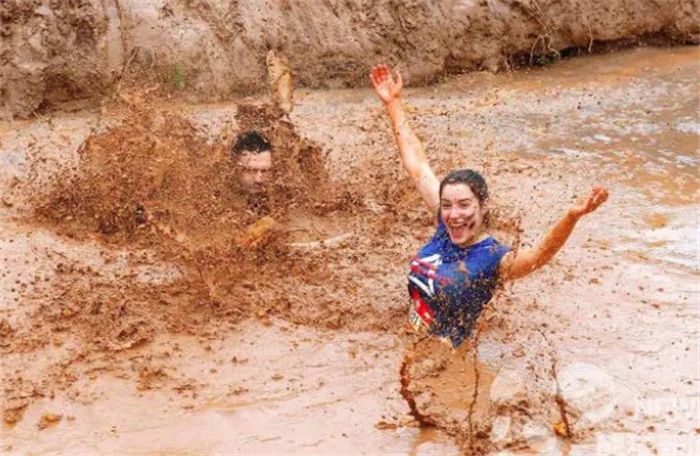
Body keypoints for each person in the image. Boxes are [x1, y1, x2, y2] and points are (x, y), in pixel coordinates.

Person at [370, 64, 609, 348]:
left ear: (483, 207)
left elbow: (540, 255)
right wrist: (394, 105)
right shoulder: (446, 224)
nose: (454, 214)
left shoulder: (493, 258)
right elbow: (417, 165)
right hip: (409, 345)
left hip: (448, 364)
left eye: (464, 205)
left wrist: (571, 217)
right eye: (447, 205)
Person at [230, 131, 276, 248]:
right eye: (250, 171)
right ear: (235, 170)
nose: (259, 179)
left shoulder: (281, 194)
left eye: (265, 171)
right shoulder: (217, 199)